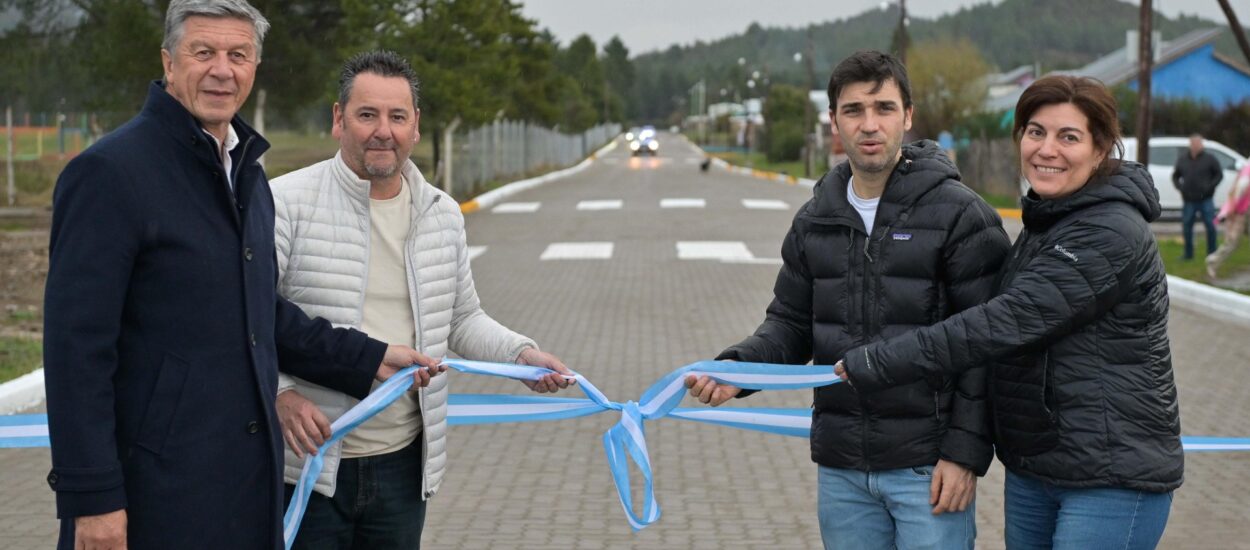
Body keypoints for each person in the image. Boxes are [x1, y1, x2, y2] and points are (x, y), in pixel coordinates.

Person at [42, 3, 443, 549]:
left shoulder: (246, 173)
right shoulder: (110, 174)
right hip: (154, 497)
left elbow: (255, 313)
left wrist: (367, 356)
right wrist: (94, 500)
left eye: (238, 55)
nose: (222, 70)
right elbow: (76, 352)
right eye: (202, 52)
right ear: (168, 60)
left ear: (254, 67)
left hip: (244, 490)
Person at [838, 75, 1182, 549]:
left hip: (1111, 476)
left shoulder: (1111, 230)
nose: (1047, 149)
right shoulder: (1049, 221)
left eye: (1069, 137)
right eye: (1035, 132)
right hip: (1038, 468)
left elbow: (1005, 321)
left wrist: (880, 360)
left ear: (1101, 150)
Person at [685, 50, 1010, 550]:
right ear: (834, 120)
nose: (869, 124)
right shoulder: (816, 218)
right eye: (853, 110)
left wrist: (964, 455)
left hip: (927, 468)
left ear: (908, 115)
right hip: (842, 470)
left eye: (883, 108)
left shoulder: (961, 216)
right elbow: (790, 324)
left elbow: (985, 348)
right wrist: (737, 369)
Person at [270, 50, 573, 549]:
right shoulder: (284, 203)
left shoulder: (441, 212)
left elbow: (463, 317)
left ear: (416, 125)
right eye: (367, 114)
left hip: (402, 467)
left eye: (397, 116)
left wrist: (522, 354)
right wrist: (280, 393)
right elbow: (249, 320)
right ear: (338, 119)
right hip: (307, 465)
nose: (382, 130)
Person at [1173, 133, 1223, 260]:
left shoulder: (1210, 159)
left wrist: (1210, 187)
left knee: (1211, 226)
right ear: (1190, 145)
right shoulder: (1183, 159)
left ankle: (1212, 253)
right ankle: (1188, 254)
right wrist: (1180, 187)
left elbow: (1219, 175)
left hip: (1206, 199)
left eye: (1198, 143)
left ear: (1201, 145)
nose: (1195, 146)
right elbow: (1175, 176)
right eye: (1193, 143)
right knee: (1187, 227)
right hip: (1189, 200)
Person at [1207, 161, 1250, 279]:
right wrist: (1231, 211)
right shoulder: (1247, 171)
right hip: (1238, 212)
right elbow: (1238, 191)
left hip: (1243, 210)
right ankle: (1213, 261)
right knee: (1232, 241)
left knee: (1233, 241)